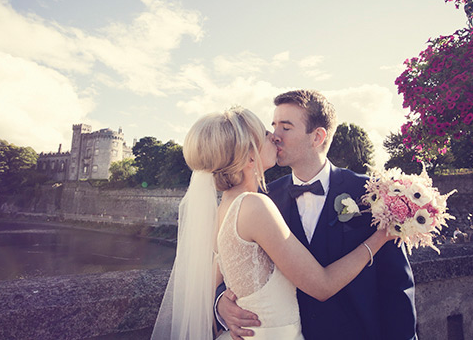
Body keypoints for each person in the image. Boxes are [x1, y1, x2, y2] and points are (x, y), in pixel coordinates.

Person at [151, 106, 394, 340]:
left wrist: (219, 301)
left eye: (282, 128)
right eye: (267, 134)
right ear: (248, 156)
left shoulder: (223, 208)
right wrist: (381, 236)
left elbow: (207, 282)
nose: (274, 138)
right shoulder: (255, 206)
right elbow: (323, 286)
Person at [217, 90, 417, 340]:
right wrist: (221, 305)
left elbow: (396, 285)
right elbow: (234, 264)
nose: (275, 137)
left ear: (317, 137)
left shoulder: (371, 194)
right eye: (274, 126)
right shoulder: (262, 199)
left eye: (286, 127)